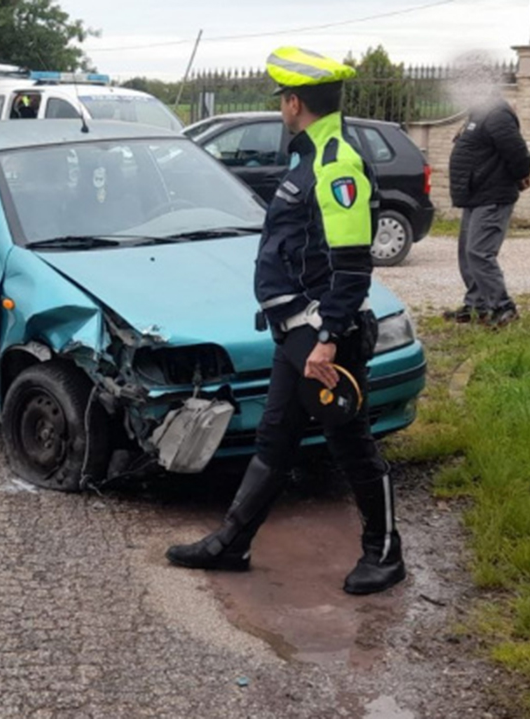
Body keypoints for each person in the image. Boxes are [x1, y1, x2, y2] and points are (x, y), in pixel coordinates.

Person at [166, 47, 405, 596]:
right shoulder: (311, 155)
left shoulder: (335, 162)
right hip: (297, 333)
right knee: (275, 438)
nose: (281, 108)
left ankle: (386, 554)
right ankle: (232, 542)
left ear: (294, 102)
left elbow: (352, 265)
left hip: (326, 337)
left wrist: (327, 340)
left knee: (352, 445)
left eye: (283, 100)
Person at [443, 85, 530, 328]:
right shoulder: (479, 113)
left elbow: (518, 152)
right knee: (466, 253)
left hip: (492, 195)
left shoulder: (496, 114)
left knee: (479, 253)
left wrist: (522, 175)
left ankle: (504, 307)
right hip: (476, 196)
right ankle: (477, 306)